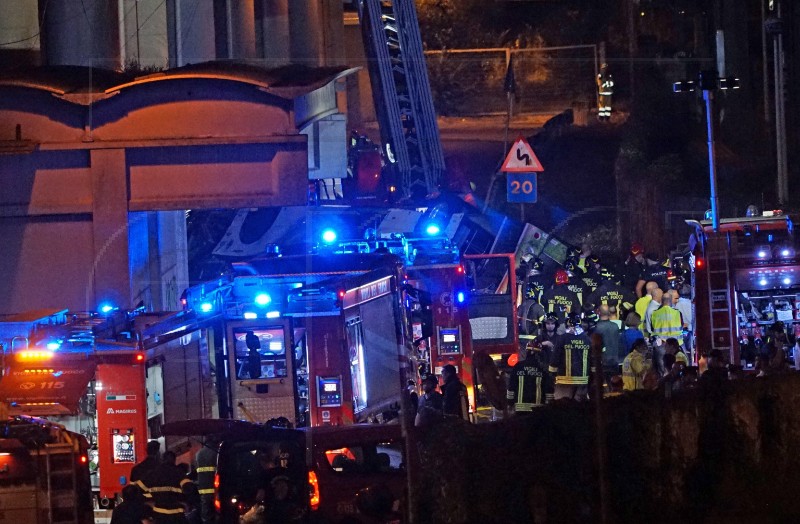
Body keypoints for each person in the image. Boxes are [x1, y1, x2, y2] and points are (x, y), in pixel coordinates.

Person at [137, 451, 194, 524]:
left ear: (162, 459)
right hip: (177, 514)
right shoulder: (178, 473)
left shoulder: (153, 473)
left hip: (159, 514)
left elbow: (138, 489)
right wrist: (186, 502)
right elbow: (189, 488)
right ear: (174, 460)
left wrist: (150, 499)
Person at [548, 314, 592, 401]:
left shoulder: (562, 339)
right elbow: (593, 362)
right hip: (583, 382)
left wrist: (551, 375)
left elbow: (554, 359)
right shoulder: (587, 339)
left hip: (564, 381)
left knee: (563, 408)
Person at [507, 339, 553, 413]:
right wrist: (549, 405)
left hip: (520, 409)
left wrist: (509, 403)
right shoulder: (543, 369)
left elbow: (511, 386)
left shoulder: (518, 366)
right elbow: (548, 389)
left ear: (527, 352)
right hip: (538, 409)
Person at [593, 305, 623, 387]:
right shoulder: (615, 326)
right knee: (614, 384)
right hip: (615, 359)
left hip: (602, 360)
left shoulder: (597, 327)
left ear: (598, 312)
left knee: (602, 386)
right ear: (609, 313)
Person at [194, 437, 219, 524]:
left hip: (203, 488)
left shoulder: (198, 454)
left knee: (206, 513)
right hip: (215, 487)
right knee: (218, 512)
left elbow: (196, 470)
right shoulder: (216, 453)